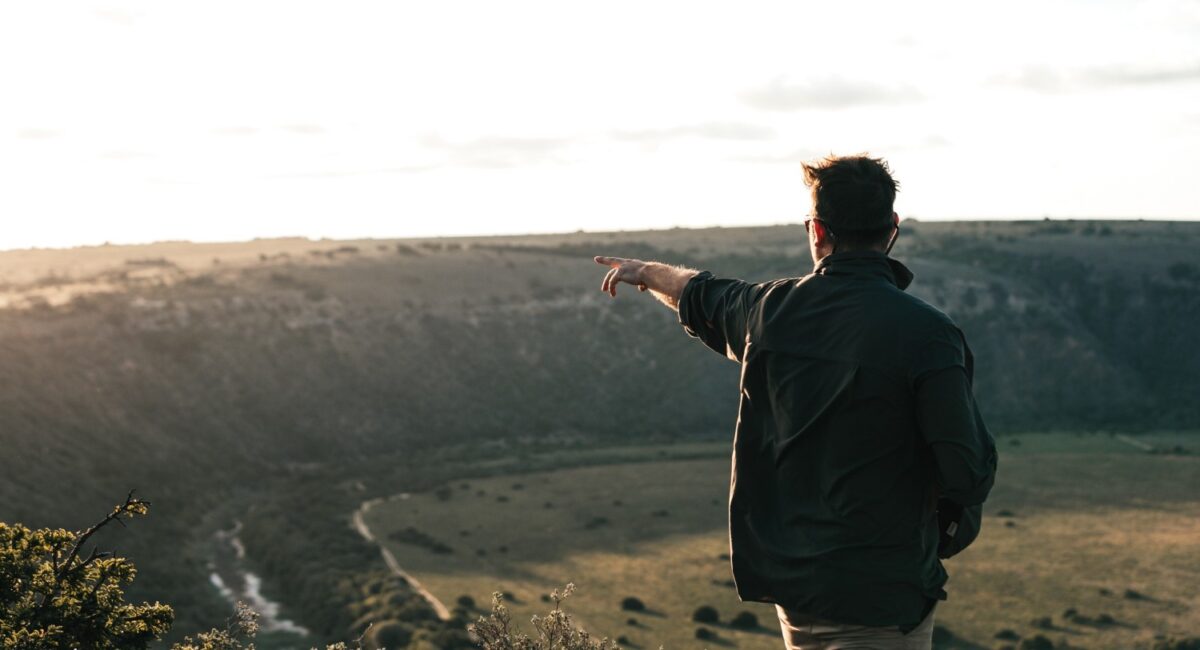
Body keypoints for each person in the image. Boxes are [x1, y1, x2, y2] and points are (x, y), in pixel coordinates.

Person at [593, 154, 997, 650]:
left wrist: (645, 271)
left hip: (794, 594)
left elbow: (700, 294)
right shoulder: (929, 334)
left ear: (817, 230)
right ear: (892, 228)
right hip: (883, 599)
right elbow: (968, 472)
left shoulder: (767, 312)